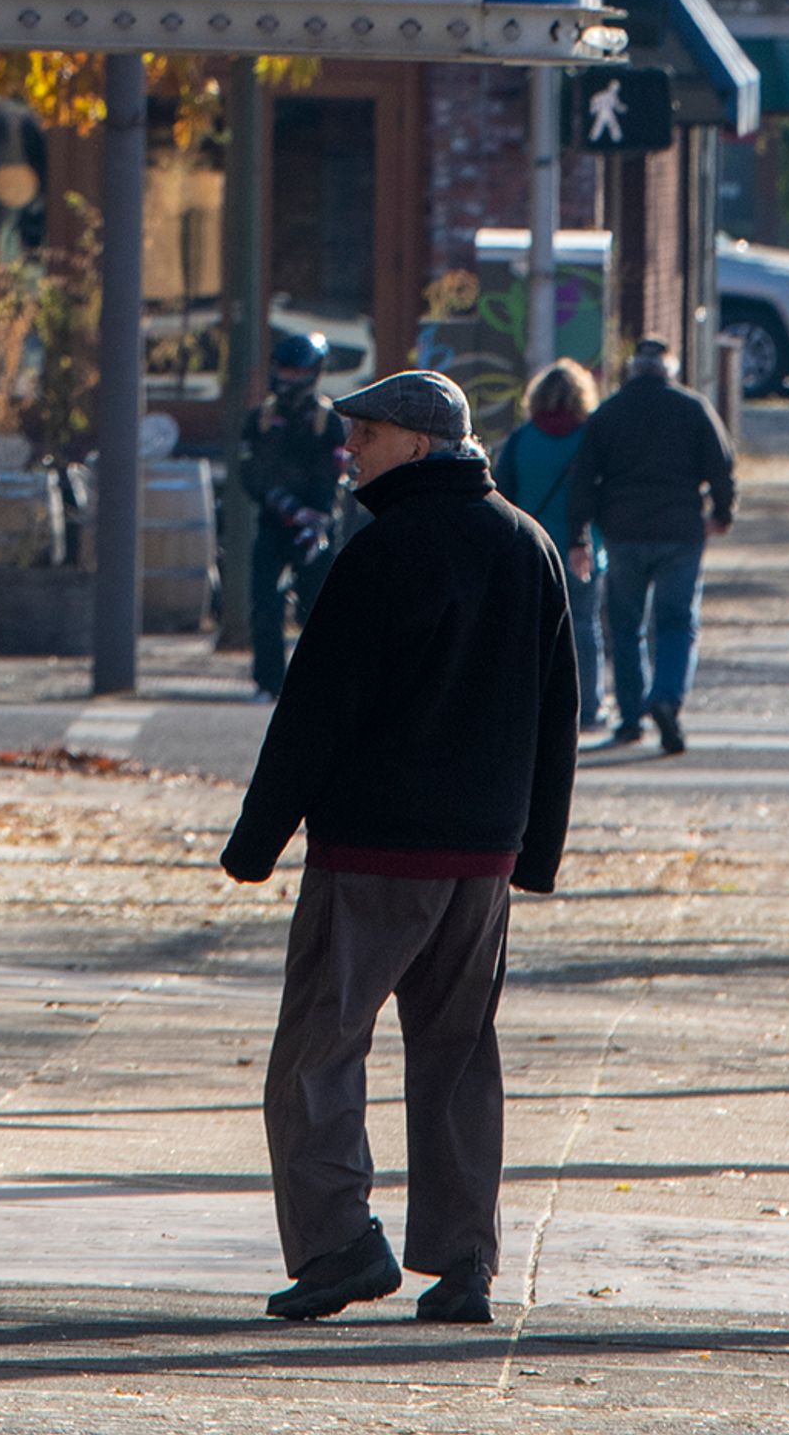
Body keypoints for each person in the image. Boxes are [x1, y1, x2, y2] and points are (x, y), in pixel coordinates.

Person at [220, 362, 580, 1333]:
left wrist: (257, 840)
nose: (350, 451)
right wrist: (533, 850)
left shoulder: (379, 554)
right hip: (482, 862)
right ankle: (463, 1261)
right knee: (460, 1056)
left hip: (374, 854)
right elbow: (559, 717)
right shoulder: (530, 547)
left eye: (367, 436)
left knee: (316, 1054)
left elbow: (313, 717)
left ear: (420, 444)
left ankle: (340, 1244)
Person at [568, 326, 736, 754]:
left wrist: (578, 535)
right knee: (677, 621)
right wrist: (721, 513)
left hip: (623, 532)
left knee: (625, 627)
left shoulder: (608, 413)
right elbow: (721, 464)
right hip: (680, 529)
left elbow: (584, 478)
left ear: (632, 371)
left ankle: (629, 719)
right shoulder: (693, 408)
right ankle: (665, 697)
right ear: (670, 369)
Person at [491, 357, 606, 729]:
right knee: (585, 627)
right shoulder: (590, 438)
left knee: (533, 631)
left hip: (531, 549)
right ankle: (588, 707)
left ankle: (534, 706)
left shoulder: (522, 439)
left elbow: (501, 493)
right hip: (583, 548)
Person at [234, 331, 348, 697]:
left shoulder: (329, 421)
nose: (290, 381)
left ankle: (318, 685)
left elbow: (332, 476)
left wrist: (312, 516)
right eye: (285, 371)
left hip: (317, 528)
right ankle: (268, 682)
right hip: (273, 525)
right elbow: (251, 474)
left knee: (320, 610)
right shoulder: (260, 419)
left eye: (298, 373)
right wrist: (282, 504)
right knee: (265, 605)